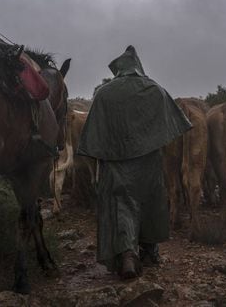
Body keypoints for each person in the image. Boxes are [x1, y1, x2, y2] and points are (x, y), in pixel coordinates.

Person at [77, 45, 192, 278]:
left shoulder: (103, 93)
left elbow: (92, 137)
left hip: (115, 163)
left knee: (121, 206)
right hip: (148, 163)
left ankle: (127, 254)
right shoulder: (155, 90)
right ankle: (149, 252)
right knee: (150, 204)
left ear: (118, 70)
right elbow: (173, 126)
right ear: (138, 67)